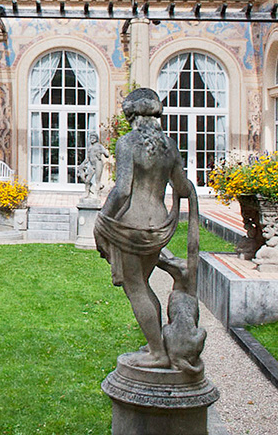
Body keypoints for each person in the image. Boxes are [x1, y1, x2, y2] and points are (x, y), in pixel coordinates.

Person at [94, 88, 200, 369]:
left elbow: (122, 191)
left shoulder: (128, 143)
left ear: (130, 115)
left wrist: (102, 220)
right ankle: (157, 343)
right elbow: (181, 187)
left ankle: (157, 353)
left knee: (136, 288)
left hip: (132, 224)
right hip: (158, 224)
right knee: (144, 283)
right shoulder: (170, 145)